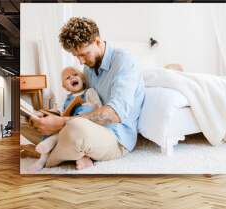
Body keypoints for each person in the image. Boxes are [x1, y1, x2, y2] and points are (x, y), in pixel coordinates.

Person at [30, 17, 145, 170]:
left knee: (76, 129)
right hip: (90, 128)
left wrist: (63, 122)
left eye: (84, 54)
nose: (80, 62)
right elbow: (83, 103)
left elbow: (115, 114)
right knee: (30, 119)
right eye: (76, 56)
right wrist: (54, 114)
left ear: (97, 41)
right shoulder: (88, 69)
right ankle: (62, 147)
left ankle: (50, 156)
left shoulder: (124, 61)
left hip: (116, 137)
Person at [27, 66, 102, 172]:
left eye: (75, 75)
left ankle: (80, 155)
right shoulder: (66, 98)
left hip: (83, 126)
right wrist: (43, 113)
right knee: (49, 123)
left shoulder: (89, 92)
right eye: (68, 78)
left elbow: (99, 107)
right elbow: (59, 111)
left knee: (87, 107)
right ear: (65, 86)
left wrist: (90, 106)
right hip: (65, 128)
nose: (72, 78)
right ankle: (42, 160)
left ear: (82, 79)